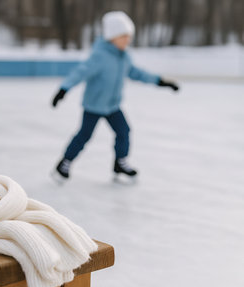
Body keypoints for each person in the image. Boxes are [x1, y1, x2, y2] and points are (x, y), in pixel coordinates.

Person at [52, 11, 179, 182]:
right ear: (111, 36)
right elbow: (80, 73)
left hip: (112, 105)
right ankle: (65, 163)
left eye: (129, 36)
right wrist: (64, 89)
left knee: (124, 131)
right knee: (84, 136)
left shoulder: (124, 57)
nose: (128, 40)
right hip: (94, 106)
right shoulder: (99, 56)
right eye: (123, 36)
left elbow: (136, 73)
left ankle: (120, 162)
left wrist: (160, 81)